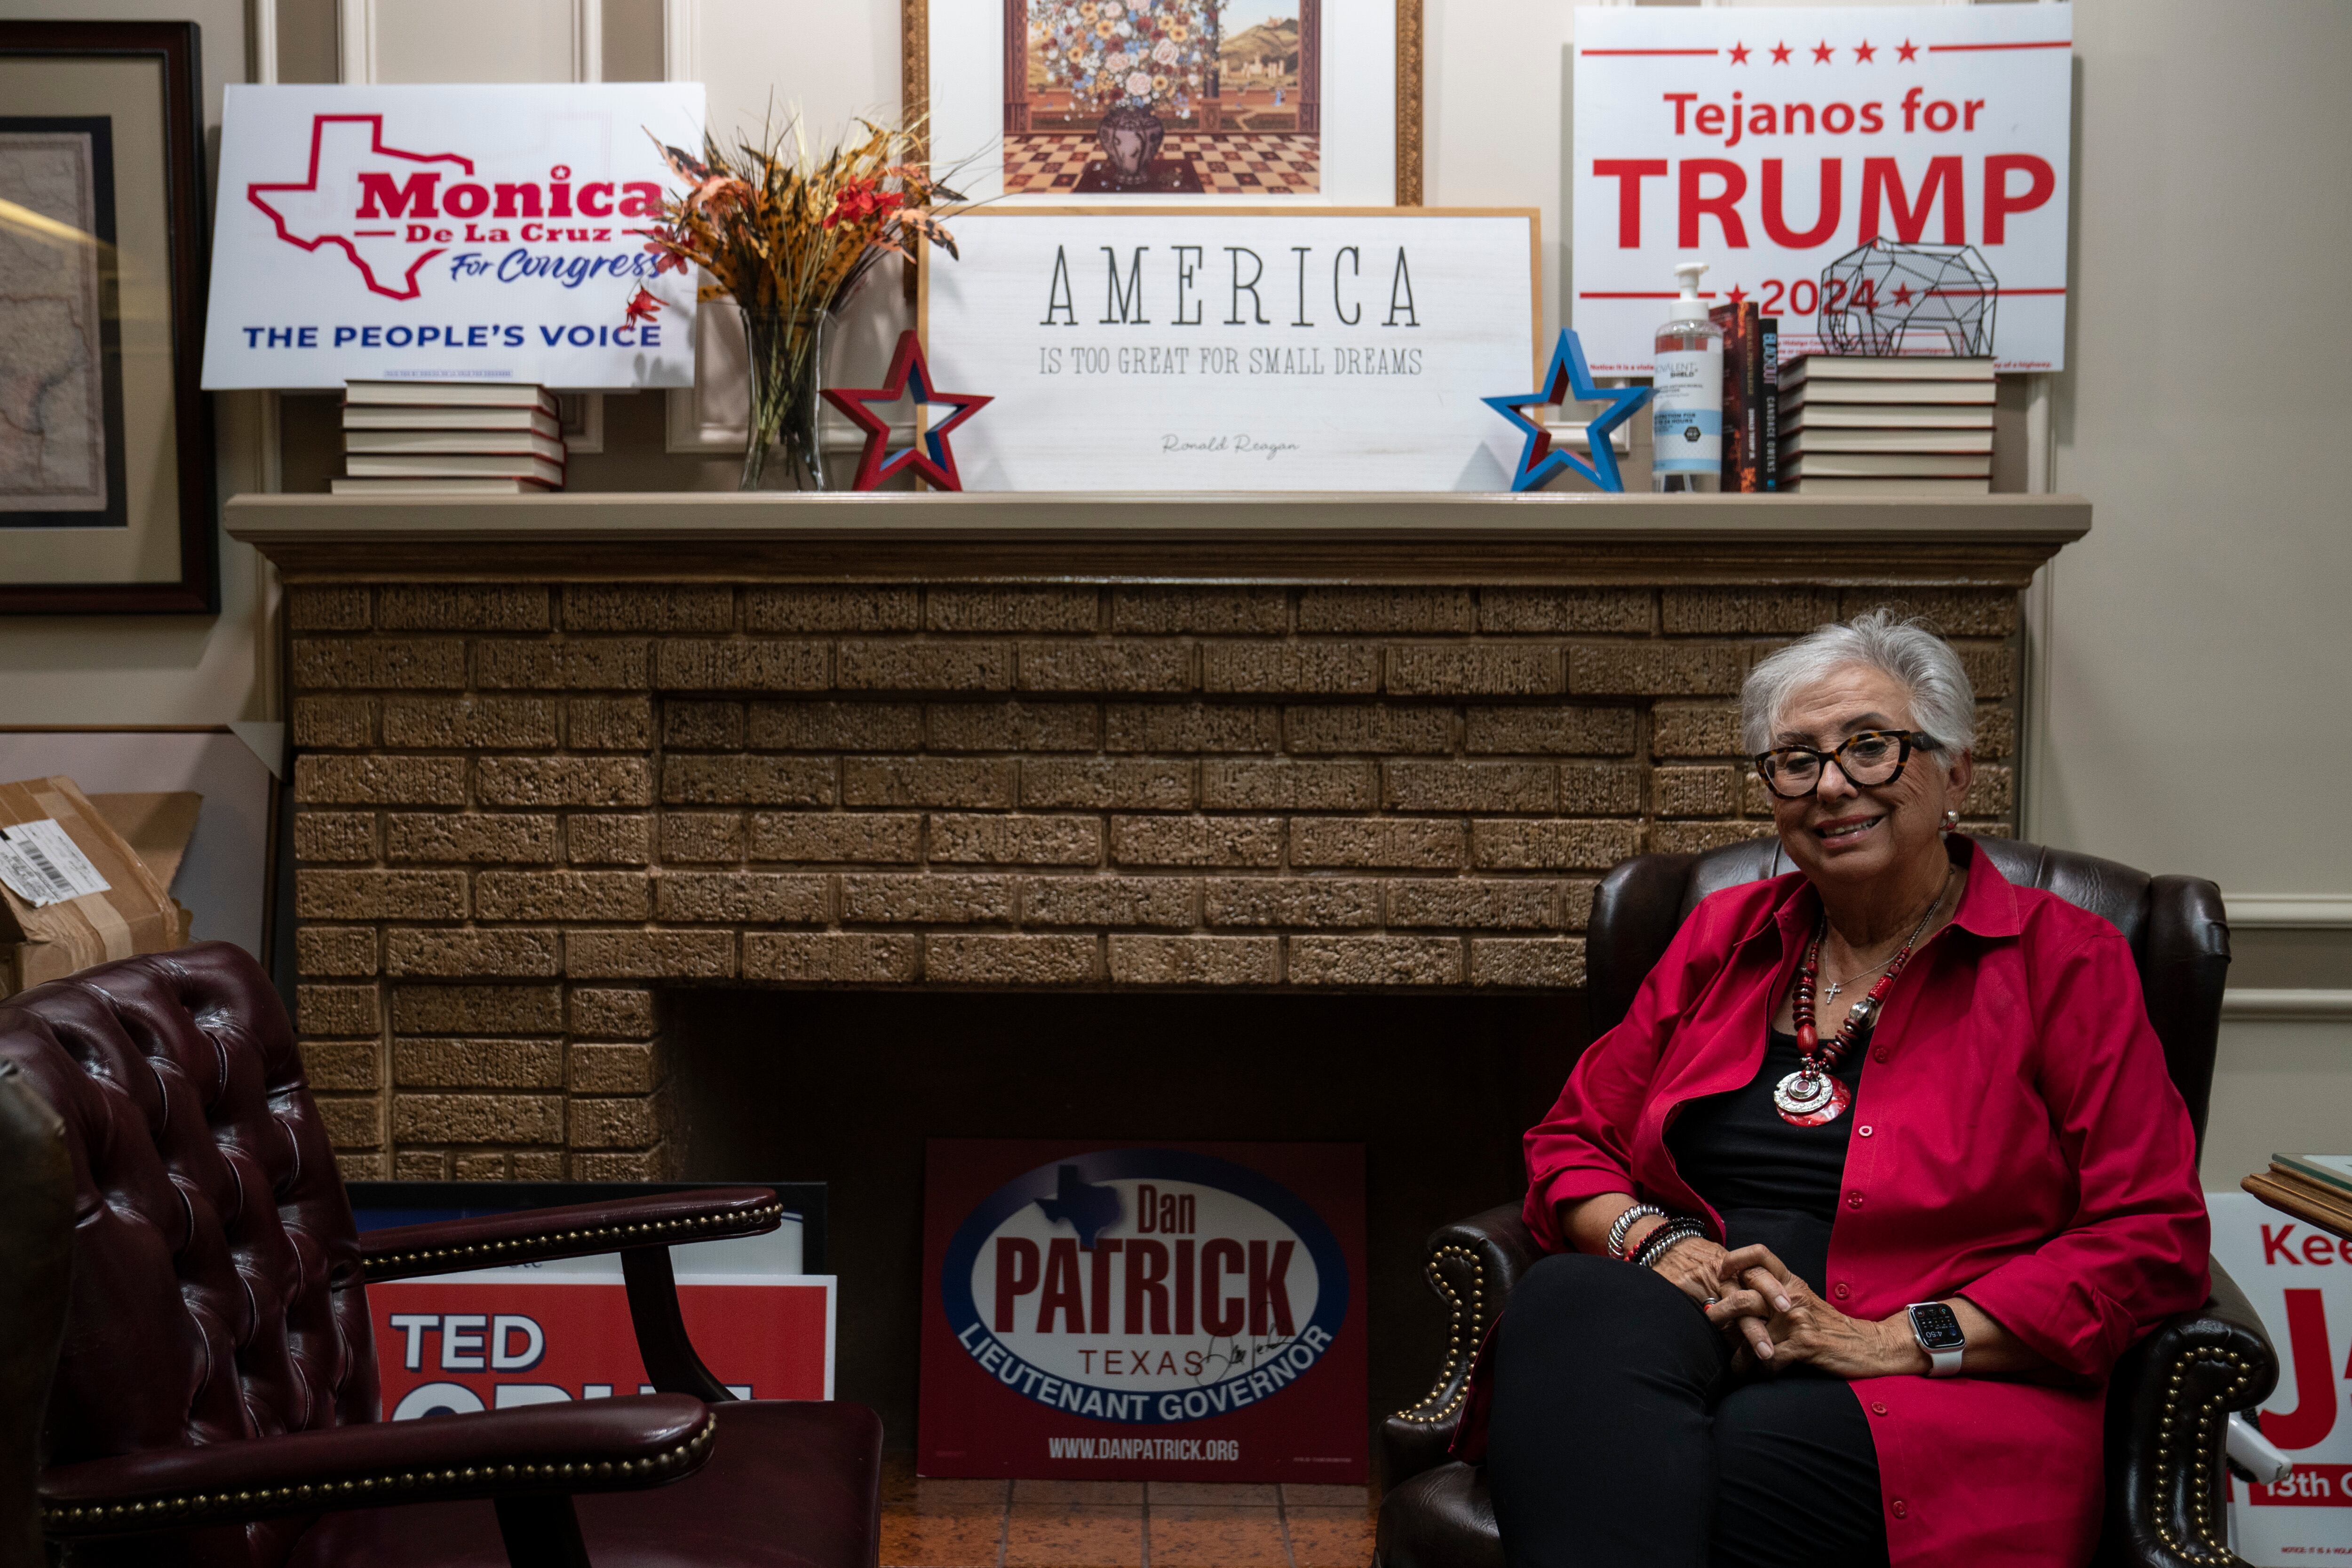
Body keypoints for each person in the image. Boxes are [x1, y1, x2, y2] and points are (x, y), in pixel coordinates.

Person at [1478, 610, 2210, 1568]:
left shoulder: (2066, 962)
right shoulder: (1723, 938)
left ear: (1955, 772)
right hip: (1701, 1318)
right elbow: (1573, 1143)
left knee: (1745, 1458)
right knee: (1572, 1300)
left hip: (1936, 1380)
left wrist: (1895, 1339)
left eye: (1870, 746)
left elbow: (2149, 1234)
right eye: (1795, 759)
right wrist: (1663, 1243)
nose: (1829, 785)